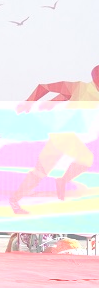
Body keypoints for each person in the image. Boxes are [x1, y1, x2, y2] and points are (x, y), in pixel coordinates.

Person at [10, 65, 99, 214]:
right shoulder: (80, 88)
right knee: (86, 159)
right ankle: (61, 181)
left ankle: (15, 199)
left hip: (61, 135)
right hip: (63, 135)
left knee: (40, 172)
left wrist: (52, 102)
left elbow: (65, 95)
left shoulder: (81, 89)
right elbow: (44, 87)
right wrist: (29, 102)